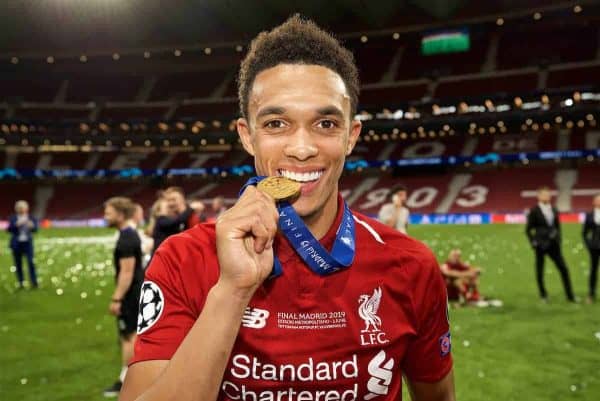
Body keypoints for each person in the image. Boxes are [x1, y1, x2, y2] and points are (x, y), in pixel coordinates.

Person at [120, 16, 454, 401]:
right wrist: (231, 291)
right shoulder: (182, 259)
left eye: (326, 123)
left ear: (351, 135)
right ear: (248, 136)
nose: (301, 147)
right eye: (277, 123)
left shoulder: (411, 265)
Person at [103, 197, 145, 397]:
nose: (105, 216)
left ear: (120, 215)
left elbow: (127, 272)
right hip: (135, 291)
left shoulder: (126, 238)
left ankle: (126, 379)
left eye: (109, 213)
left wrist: (117, 298)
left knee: (129, 336)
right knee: (131, 335)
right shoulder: (128, 234)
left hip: (130, 294)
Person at [526, 186, 575, 302]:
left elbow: (558, 227)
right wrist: (533, 242)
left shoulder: (554, 209)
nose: (546, 196)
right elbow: (528, 229)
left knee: (564, 269)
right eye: (543, 194)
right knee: (540, 271)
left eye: (548, 194)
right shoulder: (534, 211)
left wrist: (559, 240)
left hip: (554, 245)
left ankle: (570, 295)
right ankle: (543, 295)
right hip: (541, 245)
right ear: (538, 196)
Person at [151, 187, 200, 254]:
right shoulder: (171, 219)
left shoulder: (192, 217)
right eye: (168, 200)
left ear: (182, 200)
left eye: (173, 200)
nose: (170, 203)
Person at [7, 200, 38, 289]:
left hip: (27, 244)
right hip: (16, 244)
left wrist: (31, 226)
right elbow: (9, 229)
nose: (21, 209)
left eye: (22, 207)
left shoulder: (30, 218)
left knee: (30, 262)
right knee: (18, 264)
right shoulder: (13, 218)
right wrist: (17, 224)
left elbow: (35, 229)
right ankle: (21, 282)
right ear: (16, 209)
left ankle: (34, 282)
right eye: (19, 208)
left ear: (26, 208)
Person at [582, 194, 600, 303]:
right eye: (597, 200)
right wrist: (589, 244)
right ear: (593, 202)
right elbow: (584, 233)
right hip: (594, 247)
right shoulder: (589, 215)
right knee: (593, 270)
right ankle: (591, 294)